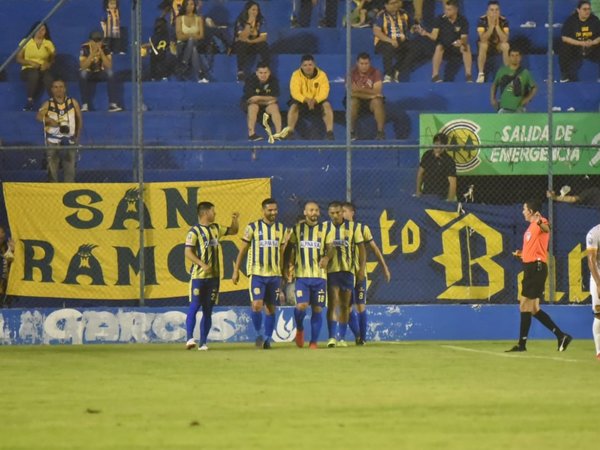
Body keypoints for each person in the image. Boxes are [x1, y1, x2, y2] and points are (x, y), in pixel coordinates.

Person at [506, 200, 572, 353]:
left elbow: (547, 229)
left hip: (536, 268)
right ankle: (561, 336)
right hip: (530, 267)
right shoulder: (529, 228)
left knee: (524, 305)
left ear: (531, 211)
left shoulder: (540, 222)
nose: (522, 212)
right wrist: (522, 254)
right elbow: (535, 248)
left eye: (524, 209)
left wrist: (539, 219)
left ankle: (522, 345)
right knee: (534, 308)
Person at [232, 198, 288, 349]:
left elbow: (281, 253)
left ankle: (267, 339)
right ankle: (258, 334)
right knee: (257, 305)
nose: (273, 212)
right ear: (263, 211)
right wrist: (236, 270)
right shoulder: (252, 228)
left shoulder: (281, 228)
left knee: (271, 307)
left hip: (274, 274)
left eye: (275, 210)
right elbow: (242, 250)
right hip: (256, 273)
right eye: (270, 210)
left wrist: (282, 272)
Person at [185, 202, 239, 351]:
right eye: (213, 211)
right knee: (195, 306)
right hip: (198, 276)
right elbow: (188, 252)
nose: (215, 214)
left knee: (208, 309)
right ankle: (189, 338)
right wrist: (202, 264)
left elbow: (233, 231)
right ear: (205, 213)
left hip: (214, 277)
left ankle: (203, 343)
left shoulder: (216, 228)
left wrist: (235, 219)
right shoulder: (194, 232)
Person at [342, 202, 391, 345]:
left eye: (345, 211)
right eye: (341, 212)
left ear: (352, 213)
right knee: (347, 307)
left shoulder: (362, 229)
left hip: (360, 275)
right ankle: (358, 335)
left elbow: (375, 249)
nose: (342, 214)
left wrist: (385, 268)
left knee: (361, 305)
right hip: (344, 276)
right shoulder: (336, 230)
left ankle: (363, 338)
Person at [284, 201, 329, 349]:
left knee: (317, 309)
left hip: (320, 277)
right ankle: (300, 329)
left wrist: (327, 257)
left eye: (316, 210)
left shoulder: (325, 229)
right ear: (305, 212)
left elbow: (331, 248)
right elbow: (289, 249)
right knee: (302, 305)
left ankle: (314, 342)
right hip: (302, 276)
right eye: (311, 210)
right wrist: (285, 268)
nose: (314, 213)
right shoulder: (297, 230)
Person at [321, 201, 366, 348]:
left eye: (338, 212)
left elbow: (362, 249)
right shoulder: (324, 228)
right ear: (329, 213)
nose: (335, 215)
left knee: (346, 305)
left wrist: (361, 270)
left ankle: (349, 336)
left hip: (348, 271)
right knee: (333, 304)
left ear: (342, 212)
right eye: (332, 213)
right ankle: (332, 337)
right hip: (331, 272)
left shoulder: (353, 228)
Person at [36, 79, 83, 183]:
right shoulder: (48, 104)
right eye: (56, 87)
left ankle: (69, 187)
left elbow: (79, 120)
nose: (59, 89)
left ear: (65, 89)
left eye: (61, 87)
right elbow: (39, 116)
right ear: (52, 89)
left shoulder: (73, 102)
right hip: (53, 140)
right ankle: (53, 188)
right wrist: (49, 120)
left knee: (70, 166)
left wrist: (77, 137)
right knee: (52, 165)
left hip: (69, 140)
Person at [418, 0, 473, 82]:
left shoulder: (462, 20)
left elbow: (464, 37)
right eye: (445, 9)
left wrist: (461, 42)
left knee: (466, 47)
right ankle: (435, 75)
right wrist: (425, 33)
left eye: (449, 10)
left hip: (456, 46)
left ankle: (468, 75)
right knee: (439, 47)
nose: (446, 11)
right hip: (444, 45)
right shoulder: (440, 19)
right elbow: (434, 36)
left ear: (455, 10)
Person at [286, 54, 334, 140]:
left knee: (327, 105)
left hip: (317, 101)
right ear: (301, 66)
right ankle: (290, 132)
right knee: (293, 107)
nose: (308, 67)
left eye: (310, 65)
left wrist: (315, 100)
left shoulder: (322, 75)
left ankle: (329, 132)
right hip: (302, 100)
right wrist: (306, 100)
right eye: (305, 65)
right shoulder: (296, 74)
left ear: (314, 65)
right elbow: (295, 92)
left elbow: (325, 92)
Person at [373, 0, 418, 83]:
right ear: (386, 5)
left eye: (396, 2)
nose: (395, 5)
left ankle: (396, 70)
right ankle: (388, 75)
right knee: (388, 47)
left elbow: (412, 25)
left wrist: (414, 29)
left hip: (401, 41)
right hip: (384, 41)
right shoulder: (381, 15)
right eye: (392, 3)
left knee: (414, 48)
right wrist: (390, 40)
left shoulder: (404, 13)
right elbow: (376, 31)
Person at [79, 30, 123, 112]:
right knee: (83, 74)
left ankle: (112, 104)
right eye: (95, 41)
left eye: (99, 41)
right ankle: (85, 104)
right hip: (89, 72)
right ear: (90, 41)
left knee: (111, 73)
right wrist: (92, 54)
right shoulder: (85, 48)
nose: (97, 43)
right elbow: (83, 66)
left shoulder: (105, 47)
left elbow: (109, 66)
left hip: (101, 72)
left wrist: (101, 52)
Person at [16, 22, 55, 111]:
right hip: (27, 69)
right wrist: (30, 62)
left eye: (43, 29)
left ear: (46, 32)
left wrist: (48, 64)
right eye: (38, 29)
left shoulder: (48, 43)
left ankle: (54, 102)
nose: (40, 31)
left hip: (42, 69)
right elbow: (18, 58)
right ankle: (30, 101)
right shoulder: (26, 41)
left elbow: (52, 59)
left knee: (49, 78)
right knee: (34, 74)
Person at [559, 0, 600, 82]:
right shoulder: (571, 20)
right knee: (564, 46)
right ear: (578, 10)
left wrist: (593, 42)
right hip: (575, 47)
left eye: (589, 9)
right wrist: (580, 43)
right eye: (584, 9)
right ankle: (565, 75)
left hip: (591, 47)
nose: (587, 11)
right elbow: (564, 38)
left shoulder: (595, 20)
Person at [349, 52, 386, 140]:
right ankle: (351, 132)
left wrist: (358, 89)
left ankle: (380, 133)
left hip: (371, 103)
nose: (364, 66)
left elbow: (377, 90)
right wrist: (370, 95)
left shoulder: (375, 72)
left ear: (370, 63)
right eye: (361, 63)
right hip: (357, 100)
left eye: (366, 63)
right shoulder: (351, 73)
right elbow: (350, 92)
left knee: (377, 101)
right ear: (357, 63)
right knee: (353, 101)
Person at [242, 63, 283, 141]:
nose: (263, 75)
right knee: (253, 106)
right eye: (261, 73)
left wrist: (258, 97)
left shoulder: (273, 80)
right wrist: (267, 100)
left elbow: (274, 98)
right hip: (250, 104)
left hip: (266, 105)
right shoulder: (250, 80)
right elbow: (251, 100)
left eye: (265, 73)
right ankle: (251, 134)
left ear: (269, 72)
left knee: (274, 107)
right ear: (256, 73)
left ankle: (279, 134)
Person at [490, 47, 537, 113]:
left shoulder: (525, 72)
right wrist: (493, 99)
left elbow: (534, 88)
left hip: (519, 108)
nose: (515, 58)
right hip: (504, 107)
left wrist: (527, 99)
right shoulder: (502, 71)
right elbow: (494, 85)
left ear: (520, 57)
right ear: (509, 57)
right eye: (512, 55)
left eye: (517, 55)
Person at [234, 1, 270, 82]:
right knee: (241, 44)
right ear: (247, 10)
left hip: (255, 43)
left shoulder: (261, 20)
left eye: (256, 10)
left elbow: (263, 37)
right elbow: (242, 37)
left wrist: (251, 41)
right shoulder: (240, 20)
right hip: (243, 44)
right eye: (253, 10)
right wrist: (249, 23)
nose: (255, 12)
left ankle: (265, 70)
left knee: (264, 45)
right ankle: (240, 71)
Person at [175, 0, 210, 82]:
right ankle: (200, 75)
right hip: (182, 45)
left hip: (196, 43)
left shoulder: (198, 18)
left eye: (192, 4)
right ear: (184, 6)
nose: (190, 6)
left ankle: (184, 63)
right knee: (193, 49)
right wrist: (192, 35)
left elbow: (201, 35)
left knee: (192, 42)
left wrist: (188, 36)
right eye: (188, 4)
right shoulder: (179, 19)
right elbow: (179, 36)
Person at [415, 132, 457, 201]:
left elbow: (452, 183)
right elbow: (420, 173)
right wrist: (418, 191)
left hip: (441, 197)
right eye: (437, 145)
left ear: (445, 146)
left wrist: (450, 200)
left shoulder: (449, 161)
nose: (439, 148)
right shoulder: (427, 155)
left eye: (442, 146)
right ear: (433, 144)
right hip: (426, 195)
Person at [475, 1, 510, 83]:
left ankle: (508, 73)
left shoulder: (504, 21)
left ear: (499, 11)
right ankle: (481, 74)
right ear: (487, 12)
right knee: (483, 45)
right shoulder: (481, 20)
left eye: (497, 10)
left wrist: (497, 26)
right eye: (492, 10)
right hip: (486, 44)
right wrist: (491, 27)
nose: (494, 12)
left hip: (498, 44)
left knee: (506, 45)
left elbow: (505, 39)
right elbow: (483, 39)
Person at [586, 223, 600, 360]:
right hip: (598, 275)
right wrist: (598, 283)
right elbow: (591, 260)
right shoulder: (594, 233)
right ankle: (599, 351)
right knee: (599, 314)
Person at [0, 226, 15, 307]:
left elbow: (10, 258)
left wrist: (12, 250)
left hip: (5, 285)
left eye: (2, 233)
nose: (0, 235)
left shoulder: (7, 246)